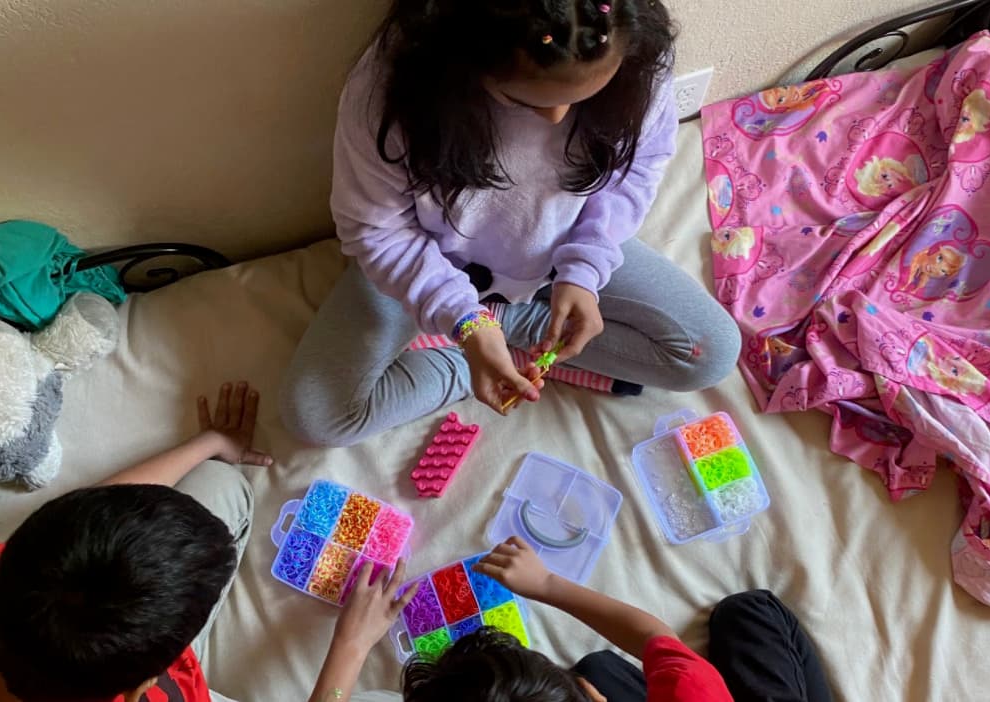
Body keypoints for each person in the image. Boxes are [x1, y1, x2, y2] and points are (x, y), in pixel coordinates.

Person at [281, 0, 742, 447]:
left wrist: (585, 270)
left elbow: (636, 171)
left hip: (561, 251)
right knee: (318, 416)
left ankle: (509, 327)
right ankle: (475, 352)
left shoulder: (637, 52)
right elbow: (376, 231)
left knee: (710, 353)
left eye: (585, 98)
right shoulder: (390, 90)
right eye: (524, 102)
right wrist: (465, 324)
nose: (558, 118)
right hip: (434, 263)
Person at [0, 382, 280, 702]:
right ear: (141, 688)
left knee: (220, 478)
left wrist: (209, 442)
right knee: (227, 486)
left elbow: (97, 517)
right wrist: (342, 650)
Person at [399, 537, 834, 702]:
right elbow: (652, 636)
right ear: (590, 696)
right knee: (748, 611)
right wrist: (548, 583)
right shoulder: (690, 691)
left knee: (600, 665)